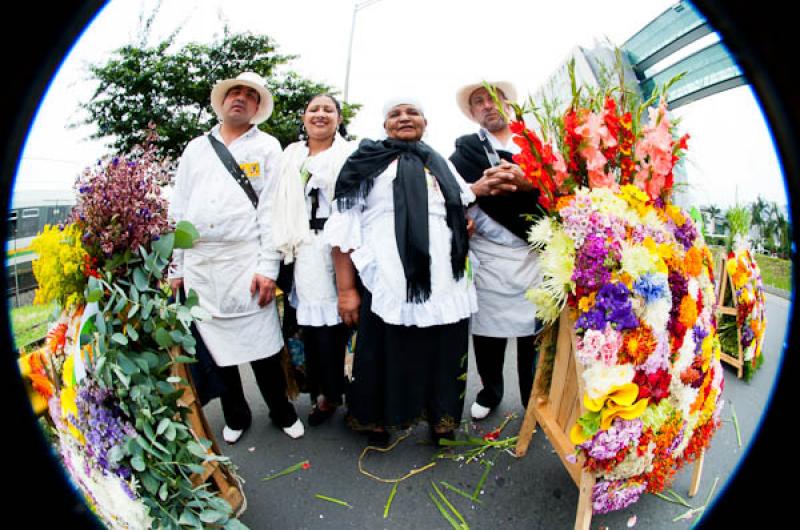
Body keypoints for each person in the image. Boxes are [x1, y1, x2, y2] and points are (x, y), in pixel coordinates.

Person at [325, 97, 498, 446]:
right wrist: (347, 291)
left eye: (412, 112)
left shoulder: (439, 163)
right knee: (384, 350)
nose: (404, 118)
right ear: (385, 124)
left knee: (443, 349)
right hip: (387, 275)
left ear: (425, 121)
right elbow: (343, 228)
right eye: (395, 114)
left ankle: (441, 419)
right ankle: (375, 419)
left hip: (444, 277)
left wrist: (461, 224)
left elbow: (460, 204)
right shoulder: (365, 161)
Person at [168, 71, 303, 444]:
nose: (240, 98)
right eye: (234, 92)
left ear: (258, 107)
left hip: (246, 259)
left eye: (249, 94)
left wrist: (267, 267)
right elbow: (179, 208)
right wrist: (177, 266)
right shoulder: (196, 148)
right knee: (216, 347)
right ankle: (236, 414)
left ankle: (281, 410)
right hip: (200, 266)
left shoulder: (267, 147)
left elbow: (272, 210)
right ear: (222, 101)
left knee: (262, 345)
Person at [449, 80, 544, 421]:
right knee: (488, 334)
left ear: (508, 104)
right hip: (489, 256)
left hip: (535, 254)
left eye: (494, 99)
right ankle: (490, 391)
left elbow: (561, 189)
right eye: (478, 102)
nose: (488, 105)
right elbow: (449, 196)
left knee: (533, 335)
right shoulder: (464, 153)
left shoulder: (536, 145)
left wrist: (529, 181)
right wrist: (474, 196)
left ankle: (534, 399)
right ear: (473, 113)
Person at [271, 94, 356, 426]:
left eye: (328, 110)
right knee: (307, 328)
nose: (320, 114)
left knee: (342, 325)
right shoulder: (290, 156)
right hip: (299, 246)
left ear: (338, 118)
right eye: (314, 109)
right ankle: (323, 394)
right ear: (304, 117)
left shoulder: (349, 154)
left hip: (339, 245)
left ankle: (348, 392)